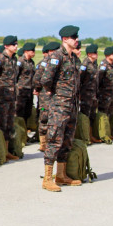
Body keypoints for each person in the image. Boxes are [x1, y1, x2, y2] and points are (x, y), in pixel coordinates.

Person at [37, 26, 83, 190]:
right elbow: (46, 78)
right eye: (72, 37)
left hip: (72, 105)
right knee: (54, 139)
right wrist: (52, 91)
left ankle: (61, 175)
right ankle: (48, 178)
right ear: (64, 39)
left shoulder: (74, 59)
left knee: (67, 140)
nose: (75, 40)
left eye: (76, 37)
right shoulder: (57, 56)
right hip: (59, 105)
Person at [0, 36, 20, 160]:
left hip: (11, 97)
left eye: (17, 44)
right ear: (6, 46)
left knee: (9, 124)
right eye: (14, 44)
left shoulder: (14, 59)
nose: (16, 47)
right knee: (0, 124)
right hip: (1, 97)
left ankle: (6, 151)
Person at [79, 44, 101, 142]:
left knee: (92, 115)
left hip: (93, 94)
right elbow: (79, 79)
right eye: (94, 53)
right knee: (85, 115)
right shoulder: (85, 65)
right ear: (89, 54)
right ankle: (85, 136)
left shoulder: (95, 64)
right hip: (86, 94)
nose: (96, 54)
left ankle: (90, 135)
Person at [97, 46, 113, 138]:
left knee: (109, 114)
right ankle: (102, 134)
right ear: (108, 55)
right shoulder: (103, 66)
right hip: (104, 95)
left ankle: (108, 133)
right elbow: (98, 80)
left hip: (111, 94)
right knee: (103, 114)